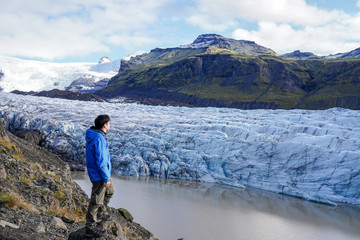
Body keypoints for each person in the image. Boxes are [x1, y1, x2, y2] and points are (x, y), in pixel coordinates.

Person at [84, 114, 114, 237]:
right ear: (104, 125)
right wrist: (105, 178)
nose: (110, 125)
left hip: (103, 172)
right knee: (96, 201)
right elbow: (101, 160)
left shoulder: (98, 136)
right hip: (100, 175)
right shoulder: (99, 139)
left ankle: (101, 212)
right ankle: (90, 228)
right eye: (109, 123)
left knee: (110, 191)